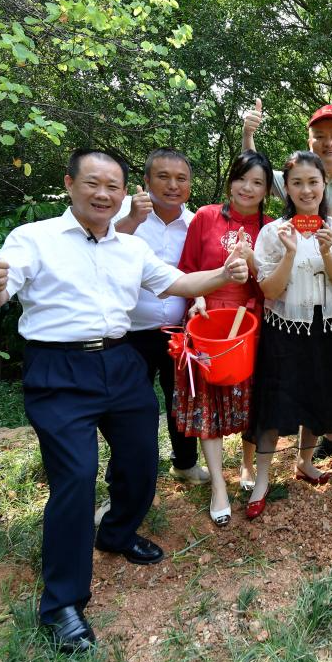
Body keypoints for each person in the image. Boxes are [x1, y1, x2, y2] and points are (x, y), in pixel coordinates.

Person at [0, 149, 249, 652]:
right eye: (93, 184)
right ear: (70, 184)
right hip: (57, 369)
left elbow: (179, 283)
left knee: (142, 463)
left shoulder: (130, 248)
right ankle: (62, 604)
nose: (103, 194)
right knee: (75, 477)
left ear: (123, 194)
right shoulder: (34, 239)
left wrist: (226, 275)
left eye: (112, 187)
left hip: (120, 363)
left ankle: (116, 532)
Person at [243, 100, 332, 457]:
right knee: (323, 370)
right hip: (309, 297)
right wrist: (249, 134)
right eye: (319, 136)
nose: (328, 142)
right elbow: (255, 171)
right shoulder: (300, 177)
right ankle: (331, 438)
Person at [247, 151, 332, 519]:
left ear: (324, 185)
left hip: (324, 328)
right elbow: (270, 291)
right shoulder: (273, 232)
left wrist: (327, 253)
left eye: (313, 182)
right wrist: (289, 254)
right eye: (298, 183)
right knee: (274, 405)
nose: (306, 190)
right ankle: (261, 479)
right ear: (287, 188)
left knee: (318, 397)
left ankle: (305, 462)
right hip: (283, 329)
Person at [172, 151, 275, 526]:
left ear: (267, 190)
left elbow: (273, 286)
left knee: (253, 404)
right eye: (241, 179)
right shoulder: (205, 217)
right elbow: (185, 269)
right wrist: (196, 297)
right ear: (230, 180)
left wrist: (252, 266)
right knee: (208, 404)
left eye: (257, 182)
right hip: (206, 322)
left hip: (250, 323)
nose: (247, 188)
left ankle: (247, 466)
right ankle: (218, 485)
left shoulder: (272, 227)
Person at [107, 148, 208, 491]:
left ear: (190, 186)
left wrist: (199, 302)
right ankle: (123, 487)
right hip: (129, 333)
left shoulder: (196, 222)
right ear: (147, 181)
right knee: (129, 411)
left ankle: (185, 465)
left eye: (181, 178)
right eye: (163, 177)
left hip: (178, 331)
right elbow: (99, 249)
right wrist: (133, 219)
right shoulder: (123, 212)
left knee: (182, 400)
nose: (172, 185)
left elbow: (199, 271)